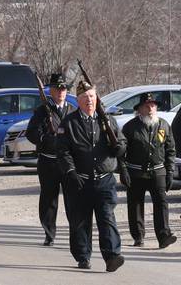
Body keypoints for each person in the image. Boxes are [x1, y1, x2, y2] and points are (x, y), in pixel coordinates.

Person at [57, 80, 126, 272]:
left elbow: (120, 141)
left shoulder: (107, 121)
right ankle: (82, 255)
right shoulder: (69, 123)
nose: (89, 100)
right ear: (78, 100)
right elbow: (63, 152)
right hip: (80, 181)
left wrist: (120, 147)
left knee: (107, 217)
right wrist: (70, 172)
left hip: (104, 180)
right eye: (85, 97)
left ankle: (112, 256)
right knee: (80, 222)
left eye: (92, 96)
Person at [25, 73, 76, 246]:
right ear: (51, 91)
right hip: (48, 161)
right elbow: (31, 133)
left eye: (63, 88)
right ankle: (49, 233)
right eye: (57, 88)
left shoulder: (71, 110)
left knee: (72, 198)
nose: (61, 91)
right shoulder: (42, 111)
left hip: (68, 162)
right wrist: (46, 139)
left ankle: (75, 232)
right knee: (49, 199)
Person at [121, 92, 177, 249]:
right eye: (147, 105)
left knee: (161, 203)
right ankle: (138, 236)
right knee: (135, 204)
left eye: (153, 105)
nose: (151, 108)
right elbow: (121, 153)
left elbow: (170, 150)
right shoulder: (130, 127)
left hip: (158, 171)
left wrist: (170, 171)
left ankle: (164, 235)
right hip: (136, 172)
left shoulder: (164, 125)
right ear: (139, 109)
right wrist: (123, 171)